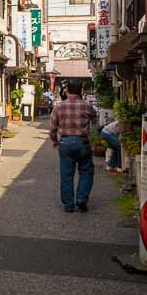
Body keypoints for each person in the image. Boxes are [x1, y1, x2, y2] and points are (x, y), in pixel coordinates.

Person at [49, 80, 98, 212]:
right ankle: (81, 198)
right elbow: (94, 117)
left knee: (66, 174)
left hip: (65, 142)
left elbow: (52, 129)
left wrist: (55, 141)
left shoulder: (59, 107)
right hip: (83, 142)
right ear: (80, 91)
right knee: (86, 171)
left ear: (67, 91)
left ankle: (68, 204)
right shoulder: (87, 105)